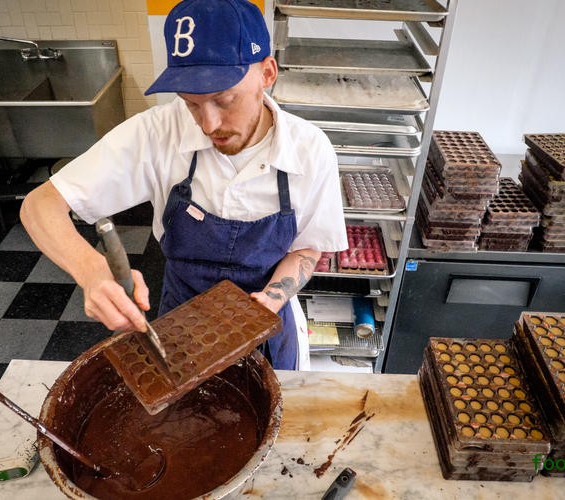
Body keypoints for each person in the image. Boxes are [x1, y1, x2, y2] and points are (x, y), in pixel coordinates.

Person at [20, 0, 347, 370]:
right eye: (191, 103)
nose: (208, 125)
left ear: (267, 73)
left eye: (224, 100)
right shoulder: (158, 132)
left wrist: (270, 300)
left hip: (266, 325)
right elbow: (39, 205)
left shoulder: (310, 151)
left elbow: (307, 248)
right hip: (181, 320)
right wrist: (92, 272)